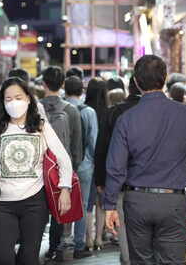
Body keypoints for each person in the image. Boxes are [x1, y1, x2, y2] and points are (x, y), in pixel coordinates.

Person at [105, 55, 186, 264]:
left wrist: (109, 205)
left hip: (137, 201)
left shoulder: (126, 119)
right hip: (173, 201)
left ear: (136, 81)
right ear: (164, 78)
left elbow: (116, 166)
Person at [0, 77, 73, 265]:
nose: (13, 103)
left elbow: (63, 157)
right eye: (8, 99)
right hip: (3, 203)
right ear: (3, 102)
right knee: (3, 257)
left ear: (28, 98)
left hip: (35, 202)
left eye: (18, 97)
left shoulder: (41, 126)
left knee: (29, 256)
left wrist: (65, 188)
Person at [94, 78, 142, 265]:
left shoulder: (113, 112)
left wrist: (100, 180)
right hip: (153, 185)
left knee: (124, 234)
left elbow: (102, 148)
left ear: (129, 88)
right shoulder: (160, 112)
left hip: (120, 182)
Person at [39, 66, 83, 261]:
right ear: (62, 84)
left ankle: (33, 247)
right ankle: (54, 248)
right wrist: (73, 168)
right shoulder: (71, 110)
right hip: (60, 168)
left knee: (38, 209)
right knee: (58, 208)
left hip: (38, 168)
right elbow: (76, 143)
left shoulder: (34, 108)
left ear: (43, 84)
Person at [64, 75, 98, 259]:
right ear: (81, 90)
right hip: (84, 165)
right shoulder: (88, 111)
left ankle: (61, 243)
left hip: (61, 165)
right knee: (82, 205)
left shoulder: (60, 109)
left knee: (61, 204)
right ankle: (79, 245)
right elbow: (93, 141)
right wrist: (92, 161)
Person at [84, 77, 109, 252]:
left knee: (87, 203)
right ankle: (99, 238)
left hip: (87, 162)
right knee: (101, 203)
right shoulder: (108, 112)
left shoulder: (84, 110)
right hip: (105, 162)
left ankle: (88, 239)